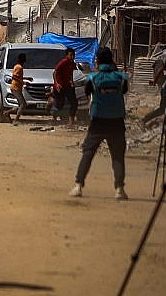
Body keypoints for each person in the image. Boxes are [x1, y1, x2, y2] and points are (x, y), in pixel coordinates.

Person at [70, 47, 130, 200]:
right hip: (116, 122)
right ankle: (119, 189)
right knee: (117, 156)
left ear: (98, 60)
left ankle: (78, 186)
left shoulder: (92, 78)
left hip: (98, 121)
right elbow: (123, 91)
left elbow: (87, 92)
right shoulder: (121, 78)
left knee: (88, 152)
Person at [51, 48, 79, 128]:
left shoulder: (72, 64)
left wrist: (72, 81)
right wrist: (57, 84)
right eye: (71, 55)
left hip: (68, 86)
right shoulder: (64, 62)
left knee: (74, 102)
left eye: (73, 55)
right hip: (61, 86)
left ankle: (71, 122)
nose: (72, 57)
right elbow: (55, 72)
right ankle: (51, 101)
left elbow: (71, 73)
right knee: (60, 104)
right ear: (67, 55)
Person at [10, 53, 29, 125]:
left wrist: (26, 79)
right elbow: (14, 77)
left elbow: (18, 77)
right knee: (23, 104)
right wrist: (23, 82)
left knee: (20, 104)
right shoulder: (19, 67)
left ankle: (7, 113)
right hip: (16, 88)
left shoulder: (18, 66)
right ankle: (16, 119)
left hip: (17, 87)